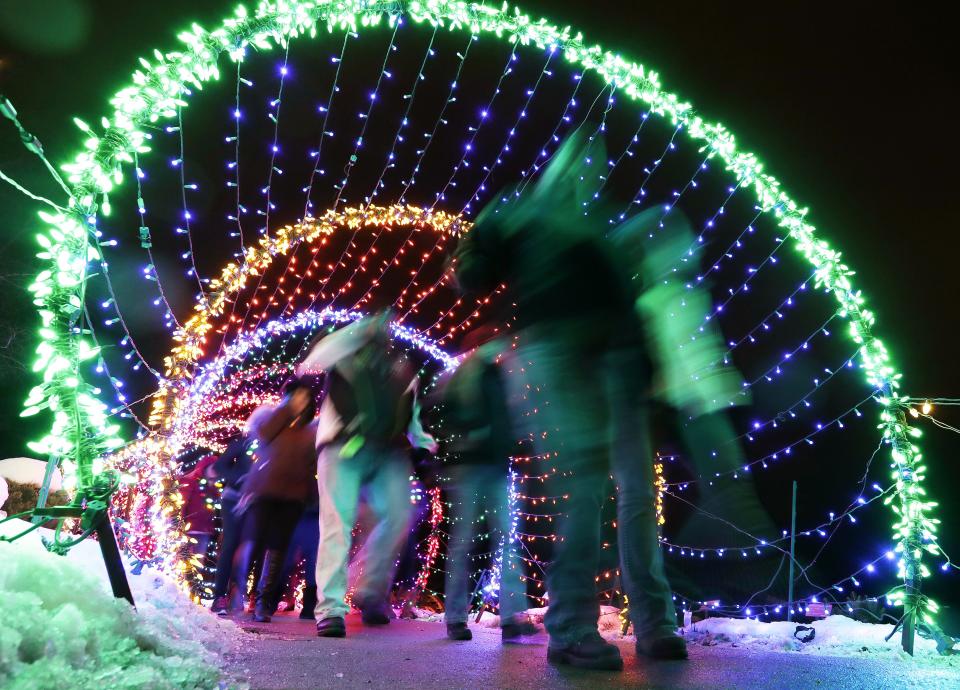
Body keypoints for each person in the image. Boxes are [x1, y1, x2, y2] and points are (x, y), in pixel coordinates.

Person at [454, 132, 686, 669]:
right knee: (584, 481)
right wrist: (477, 251)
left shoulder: (601, 226)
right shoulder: (523, 209)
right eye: (578, 159)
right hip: (559, 349)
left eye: (597, 163)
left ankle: (654, 624)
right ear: (558, 165)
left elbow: (628, 302)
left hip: (618, 358)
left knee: (635, 491)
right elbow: (476, 266)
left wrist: (651, 375)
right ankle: (571, 627)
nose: (588, 168)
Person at [296, 313, 437, 638]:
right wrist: (360, 328)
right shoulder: (342, 356)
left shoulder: (405, 373)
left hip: (386, 452)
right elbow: (310, 363)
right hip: (340, 446)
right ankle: (330, 609)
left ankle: (370, 589)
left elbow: (413, 420)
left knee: (400, 515)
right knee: (337, 524)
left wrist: (425, 450)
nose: (382, 333)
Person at [435, 328, 538, 643]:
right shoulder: (460, 375)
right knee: (465, 541)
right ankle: (456, 617)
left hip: (493, 466)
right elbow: (441, 413)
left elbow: (512, 416)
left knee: (503, 539)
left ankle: (510, 616)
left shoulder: (499, 375)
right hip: (469, 466)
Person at [234, 378, 319, 623]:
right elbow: (264, 434)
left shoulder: (312, 430)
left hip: (293, 496)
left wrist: (311, 491)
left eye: (305, 398)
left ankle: (263, 602)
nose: (300, 402)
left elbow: (312, 462)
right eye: (294, 397)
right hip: (263, 492)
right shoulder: (269, 419)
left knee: (278, 547)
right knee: (256, 541)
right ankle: (240, 594)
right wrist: (286, 408)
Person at [210, 435, 253, 615]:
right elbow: (218, 467)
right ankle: (219, 596)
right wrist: (242, 479)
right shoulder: (243, 443)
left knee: (249, 547)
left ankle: (238, 593)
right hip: (233, 500)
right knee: (230, 544)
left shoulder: (272, 445)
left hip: (255, 501)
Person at [179, 453, 218, 566]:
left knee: (197, 565)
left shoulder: (212, 486)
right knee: (185, 564)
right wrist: (179, 528)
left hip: (204, 531)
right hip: (189, 530)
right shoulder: (190, 481)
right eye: (214, 467)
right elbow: (182, 504)